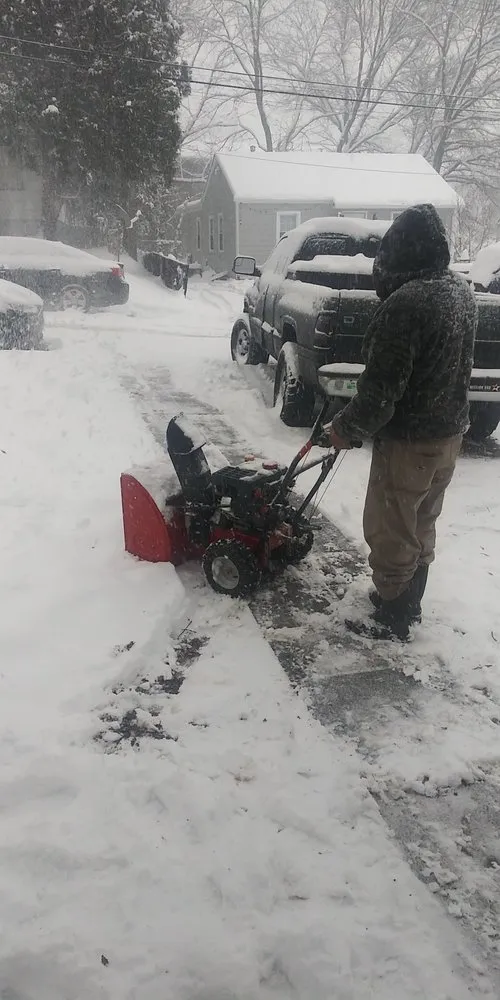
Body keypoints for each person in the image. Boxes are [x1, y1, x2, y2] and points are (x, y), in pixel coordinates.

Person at [328, 203, 478, 641]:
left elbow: (378, 394)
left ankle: (393, 615)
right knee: (422, 520)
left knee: (391, 526)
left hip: (410, 441)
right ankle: (406, 600)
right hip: (448, 436)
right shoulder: (459, 292)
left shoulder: (406, 304)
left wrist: (344, 429)